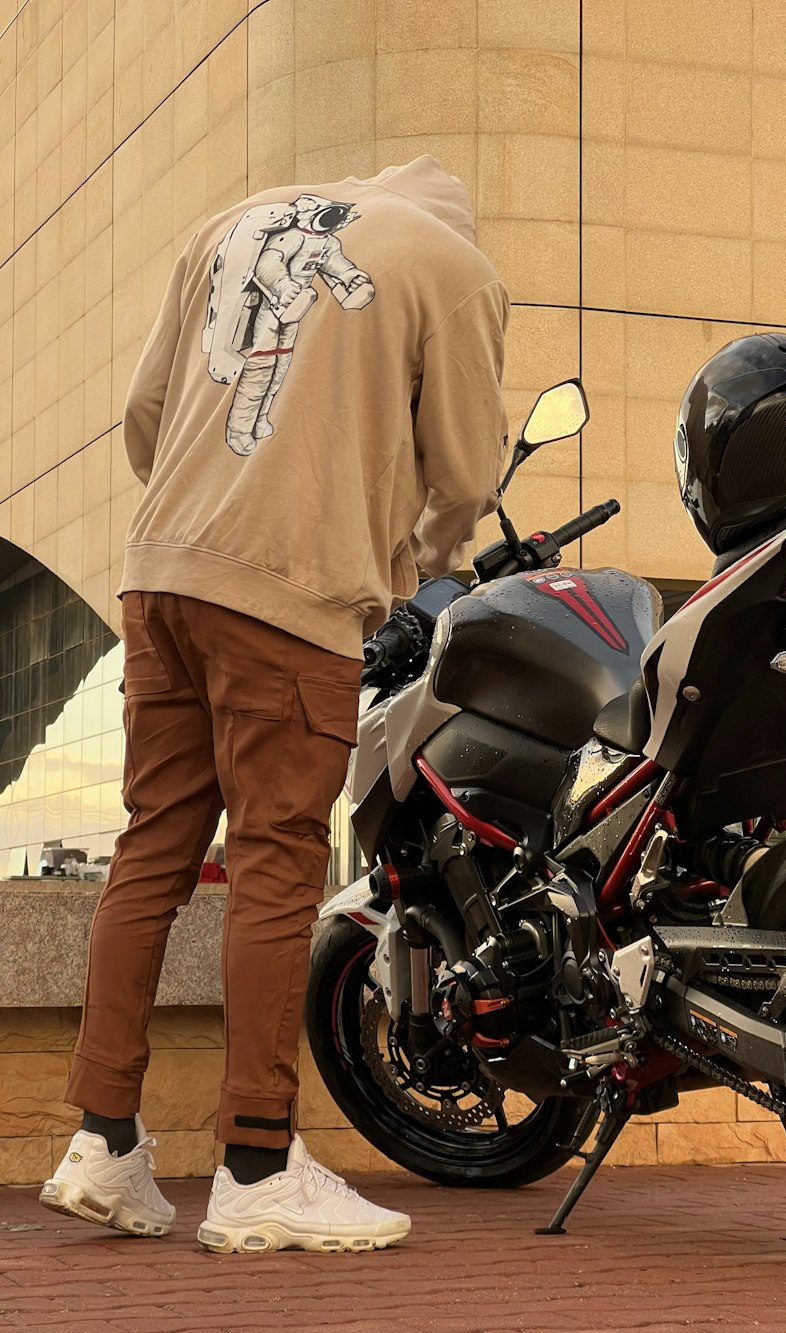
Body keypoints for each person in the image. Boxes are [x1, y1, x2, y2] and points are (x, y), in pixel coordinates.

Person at [39, 157, 509, 1254]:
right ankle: (255, 1162)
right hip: (289, 594)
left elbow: (146, 414)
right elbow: (469, 472)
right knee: (276, 859)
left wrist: (202, 517)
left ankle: (103, 1140)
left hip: (163, 574)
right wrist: (415, 566)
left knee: (151, 846)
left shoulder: (230, 218)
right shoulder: (454, 266)